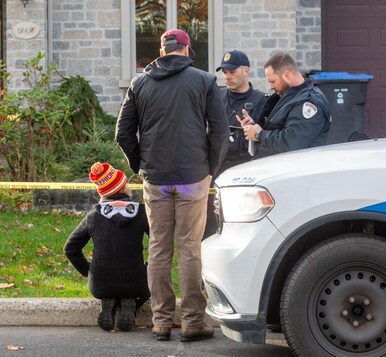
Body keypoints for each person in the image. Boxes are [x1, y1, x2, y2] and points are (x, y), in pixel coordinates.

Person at [115, 29, 229, 342]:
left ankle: (161, 322)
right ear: (187, 49)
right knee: (191, 250)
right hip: (193, 177)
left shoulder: (140, 82)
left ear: (163, 50)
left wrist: (141, 167)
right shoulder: (204, 81)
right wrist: (210, 170)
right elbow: (220, 133)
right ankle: (193, 322)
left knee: (159, 249)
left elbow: (123, 134)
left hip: (156, 179)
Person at [63, 162, 150, 332]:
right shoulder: (141, 213)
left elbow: (70, 248)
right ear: (125, 188)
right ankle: (129, 303)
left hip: (100, 282)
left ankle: (108, 301)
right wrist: (150, 267)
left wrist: (88, 271)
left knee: (110, 284)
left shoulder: (94, 216)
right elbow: (158, 244)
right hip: (136, 281)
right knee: (146, 286)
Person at [202, 50, 268, 239]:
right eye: (224, 72)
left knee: (241, 227)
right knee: (210, 226)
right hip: (216, 169)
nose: (227, 77)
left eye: (232, 72)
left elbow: (268, 136)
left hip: (246, 172)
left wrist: (255, 129)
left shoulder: (262, 100)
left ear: (246, 71)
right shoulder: (216, 98)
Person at [239, 52, 331, 157]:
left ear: (287, 75)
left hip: (295, 169)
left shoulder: (309, 102)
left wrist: (259, 134)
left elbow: (292, 143)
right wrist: (255, 127)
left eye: (272, 81)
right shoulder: (289, 96)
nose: (270, 87)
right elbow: (277, 127)